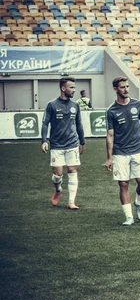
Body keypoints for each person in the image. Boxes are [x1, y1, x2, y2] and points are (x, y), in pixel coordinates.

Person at [105, 76, 140, 225]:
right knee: (123, 184)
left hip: (137, 150)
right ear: (115, 89)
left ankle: (138, 204)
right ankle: (129, 217)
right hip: (120, 152)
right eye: (122, 87)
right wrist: (109, 158)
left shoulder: (137, 105)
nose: (126, 89)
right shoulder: (111, 111)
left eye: (127, 86)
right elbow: (110, 135)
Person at [41, 77, 85, 209]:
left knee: (72, 170)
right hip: (56, 145)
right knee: (58, 174)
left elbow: (79, 124)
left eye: (74, 87)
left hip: (72, 144)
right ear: (63, 88)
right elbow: (45, 124)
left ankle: (71, 202)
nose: (74, 90)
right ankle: (58, 189)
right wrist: (44, 141)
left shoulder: (75, 105)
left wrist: (82, 142)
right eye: (71, 87)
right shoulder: (52, 105)